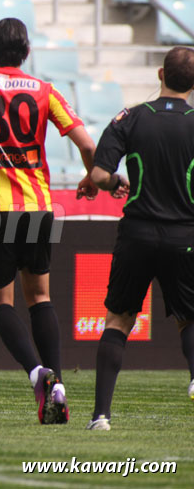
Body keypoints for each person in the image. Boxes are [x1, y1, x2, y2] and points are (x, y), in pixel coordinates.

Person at [0, 18, 100, 424]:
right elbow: (86, 143)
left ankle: (37, 374)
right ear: (26, 53)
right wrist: (92, 176)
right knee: (40, 298)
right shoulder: (45, 91)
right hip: (39, 207)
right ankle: (58, 382)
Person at [87, 46, 194, 431]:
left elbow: (100, 176)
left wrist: (117, 181)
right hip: (185, 234)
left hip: (136, 234)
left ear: (160, 75)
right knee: (189, 318)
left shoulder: (130, 118)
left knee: (119, 319)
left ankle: (101, 416)